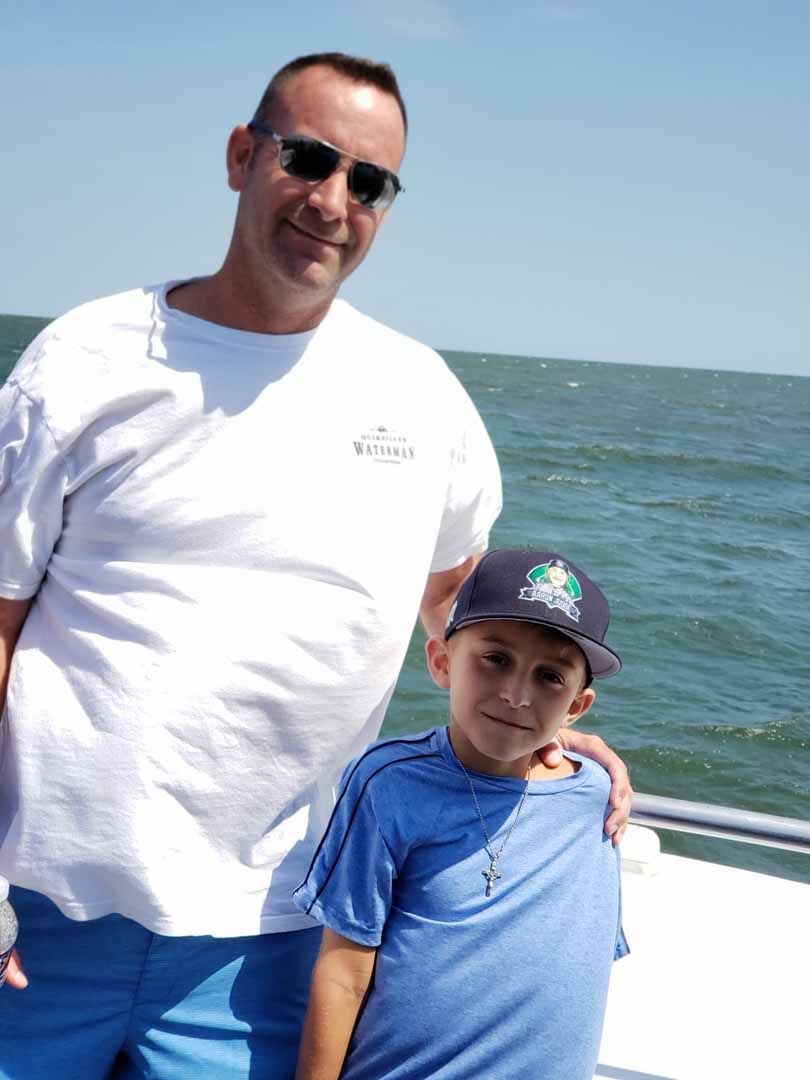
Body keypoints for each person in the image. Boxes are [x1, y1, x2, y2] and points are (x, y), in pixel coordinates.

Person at [0, 52, 630, 1079]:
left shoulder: (423, 400)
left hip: (274, 937)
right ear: (243, 156)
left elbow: (463, 621)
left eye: (369, 182)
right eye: (309, 159)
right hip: (36, 920)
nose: (334, 201)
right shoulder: (83, 362)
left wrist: (546, 744)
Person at [294, 549, 628, 1080]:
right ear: (442, 662)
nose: (518, 695)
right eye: (495, 659)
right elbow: (344, 973)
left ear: (577, 707)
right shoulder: (389, 782)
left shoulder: (597, 797)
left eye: (550, 677)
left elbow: (577, 975)